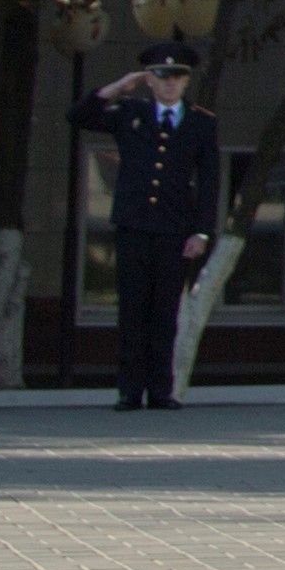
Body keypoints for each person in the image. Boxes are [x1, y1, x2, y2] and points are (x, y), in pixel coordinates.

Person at [73, 45, 223, 409]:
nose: (169, 84)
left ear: (186, 81)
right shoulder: (131, 113)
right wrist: (119, 87)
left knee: (164, 311)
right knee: (132, 308)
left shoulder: (201, 122)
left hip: (174, 228)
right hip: (134, 225)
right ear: (149, 82)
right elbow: (77, 115)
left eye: (176, 78)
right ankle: (129, 389)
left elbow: (209, 181)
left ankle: (160, 388)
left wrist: (202, 231)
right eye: (161, 77)